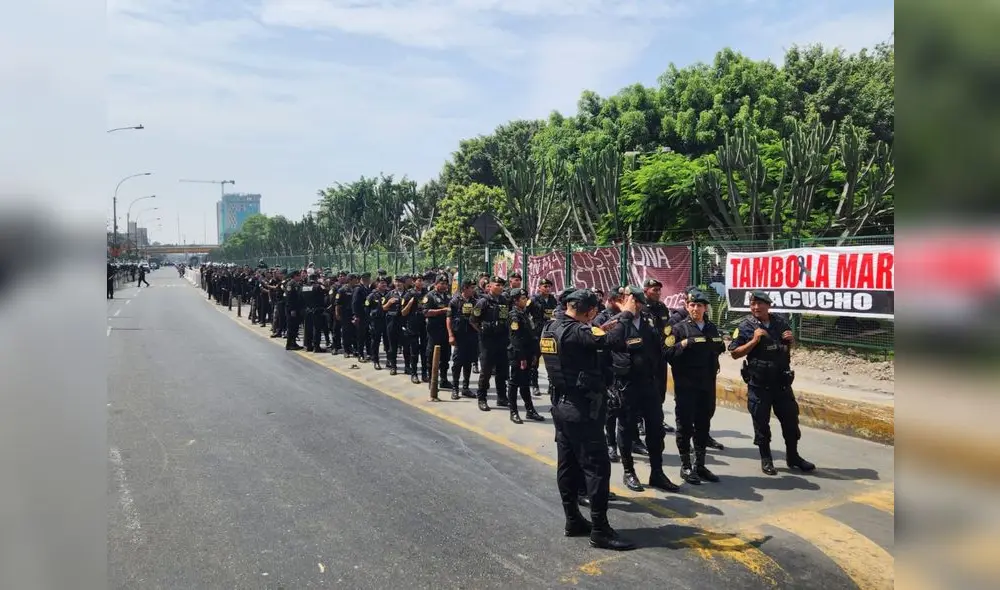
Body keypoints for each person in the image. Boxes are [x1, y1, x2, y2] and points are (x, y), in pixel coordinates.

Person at [539, 288, 634, 551]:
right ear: (590, 311)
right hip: (581, 410)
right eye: (594, 312)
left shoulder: (551, 326)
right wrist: (625, 314)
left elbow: (586, 341)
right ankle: (600, 530)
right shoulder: (578, 331)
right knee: (597, 468)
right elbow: (611, 341)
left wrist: (603, 326)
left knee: (568, 465)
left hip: (561, 405)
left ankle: (573, 520)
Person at [729, 290, 816, 475]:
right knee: (761, 423)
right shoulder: (745, 326)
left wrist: (792, 341)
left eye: (760, 304)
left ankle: (793, 457)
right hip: (760, 384)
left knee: (791, 422)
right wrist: (754, 340)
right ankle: (766, 459)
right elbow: (735, 353)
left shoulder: (780, 322)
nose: (756, 307)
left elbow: (788, 346)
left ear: (768, 305)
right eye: (753, 304)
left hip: (781, 382)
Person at [608, 286, 679, 493]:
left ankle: (657, 472)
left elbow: (660, 350)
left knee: (656, 430)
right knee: (627, 428)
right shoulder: (616, 322)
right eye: (633, 301)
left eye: (639, 302)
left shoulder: (648, 323)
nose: (637, 305)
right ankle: (629, 471)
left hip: (649, 384)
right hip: (626, 386)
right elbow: (606, 348)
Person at [665, 290, 725, 484]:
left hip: (706, 383)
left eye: (699, 305)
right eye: (692, 305)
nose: (695, 309)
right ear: (686, 306)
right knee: (684, 425)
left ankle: (699, 464)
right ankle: (686, 465)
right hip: (686, 384)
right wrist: (683, 344)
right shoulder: (677, 328)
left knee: (703, 424)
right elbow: (666, 352)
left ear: (705, 308)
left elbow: (718, 348)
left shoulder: (711, 328)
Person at [506, 288, 544, 424]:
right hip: (518, 354)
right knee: (514, 383)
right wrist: (522, 357)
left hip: (528, 352)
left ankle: (530, 410)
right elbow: (515, 338)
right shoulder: (514, 315)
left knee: (525, 383)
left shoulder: (525, 314)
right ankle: (514, 411)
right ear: (515, 301)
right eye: (522, 298)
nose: (525, 300)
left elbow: (532, 335)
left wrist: (534, 354)